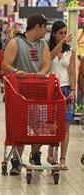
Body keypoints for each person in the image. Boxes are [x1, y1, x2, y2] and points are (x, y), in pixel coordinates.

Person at [2, 14, 51, 175]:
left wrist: (43, 73)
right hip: (19, 94)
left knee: (38, 126)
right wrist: (17, 71)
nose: (46, 31)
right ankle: (16, 160)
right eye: (45, 27)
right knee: (19, 127)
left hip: (38, 92)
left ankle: (35, 155)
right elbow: (5, 65)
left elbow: (46, 64)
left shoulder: (43, 45)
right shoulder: (15, 43)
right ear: (38, 26)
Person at [47, 21, 75, 170]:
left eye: (65, 33)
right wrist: (61, 43)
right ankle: (51, 152)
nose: (64, 36)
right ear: (54, 34)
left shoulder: (70, 52)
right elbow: (49, 58)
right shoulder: (47, 48)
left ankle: (62, 158)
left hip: (65, 90)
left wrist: (72, 90)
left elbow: (72, 72)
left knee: (65, 126)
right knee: (51, 124)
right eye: (61, 33)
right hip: (51, 89)